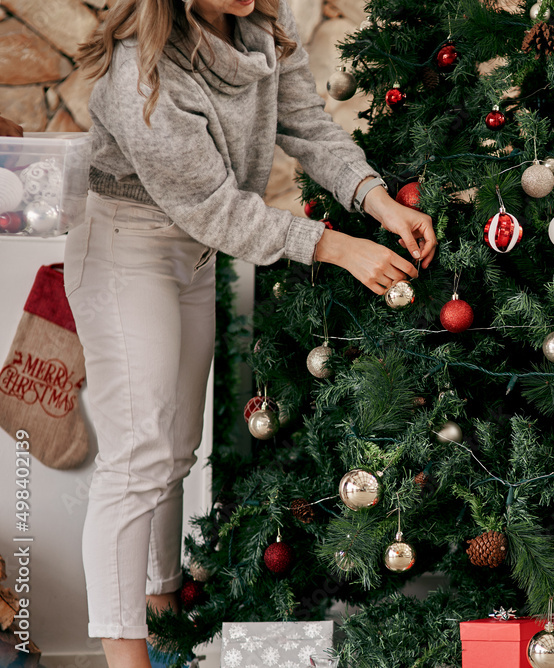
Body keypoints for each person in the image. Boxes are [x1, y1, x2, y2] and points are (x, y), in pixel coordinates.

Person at [66, 1, 437, 666]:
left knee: (175, 449)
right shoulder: (142, 71)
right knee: (139, 456)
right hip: (129, 246)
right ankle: (125, 659)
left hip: (195, 252)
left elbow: (309, 128)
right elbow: (216, 207)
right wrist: (339, 248)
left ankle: (162, 614)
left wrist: (379, 201)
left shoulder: (260, 28)